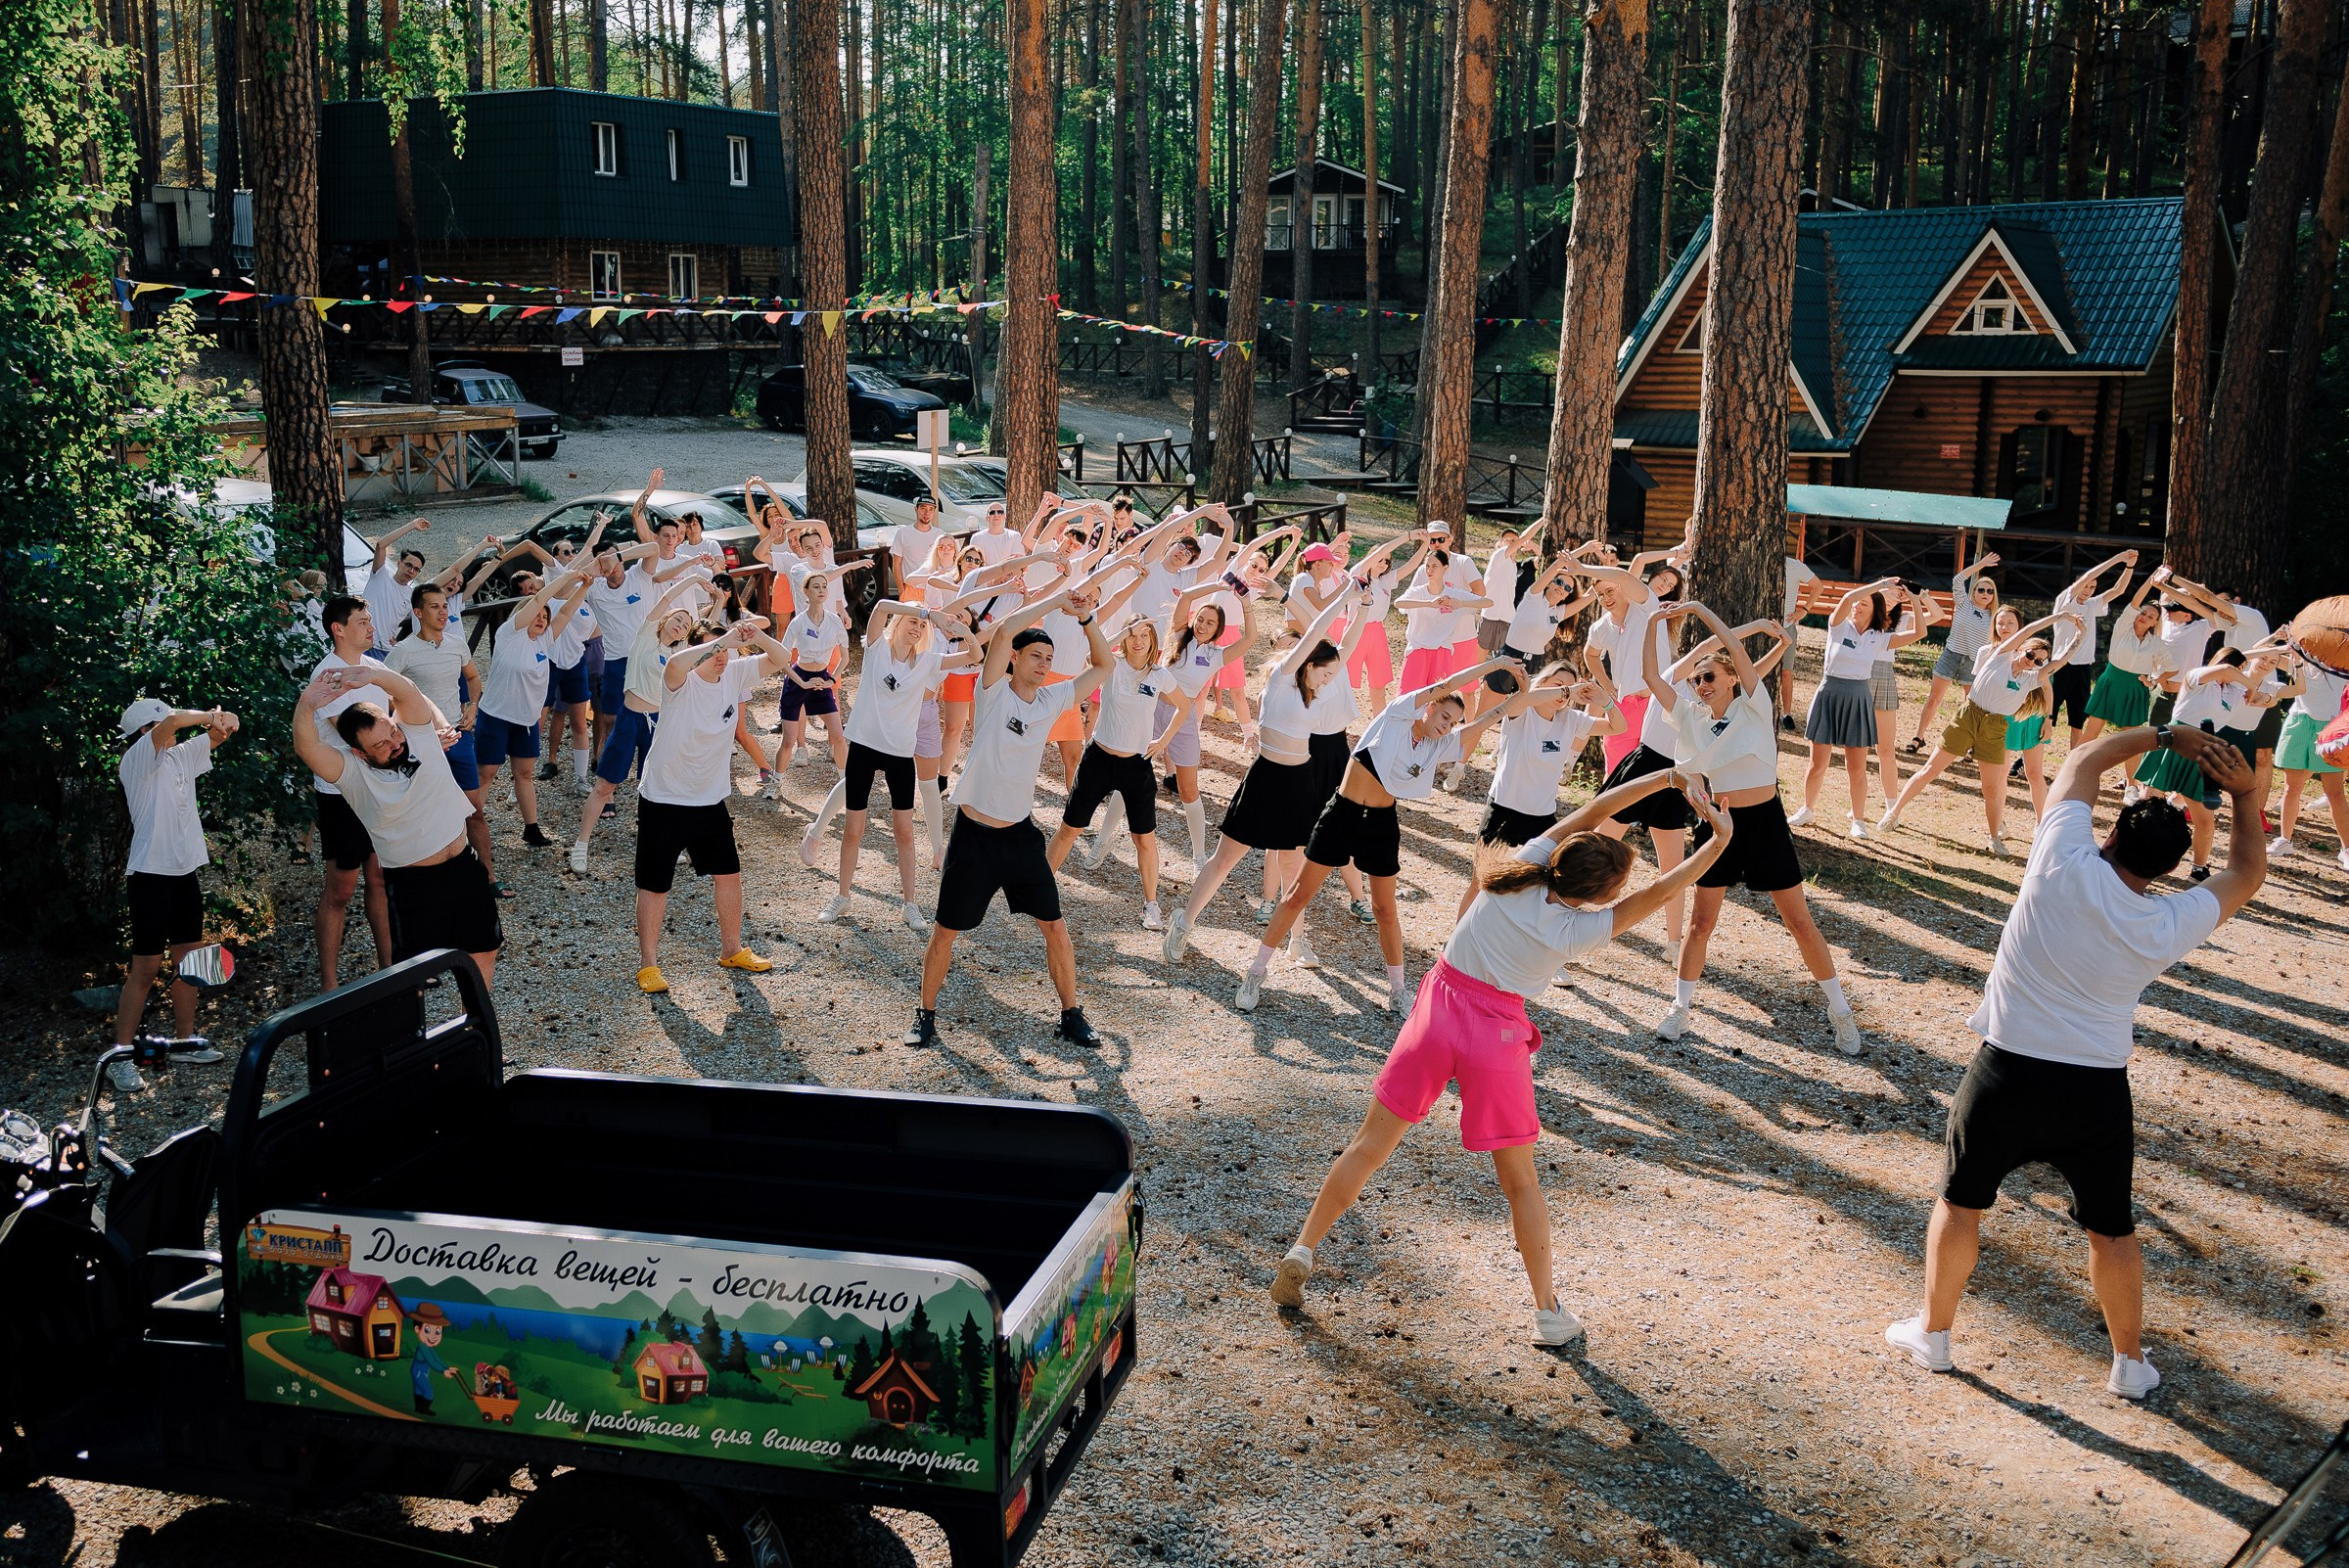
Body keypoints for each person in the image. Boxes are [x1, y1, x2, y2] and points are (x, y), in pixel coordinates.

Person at [1268, 769, 1734, 1343]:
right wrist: (1718, 842)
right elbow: (1662, 892)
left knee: (1369, 1146)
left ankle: (1303, 1248)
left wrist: (1665, 775)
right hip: (1496, 1038)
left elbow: (1594, 811)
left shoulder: (1515, 872)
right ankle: (1547, 1312)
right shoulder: (1573, 931)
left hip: (1437, 1013)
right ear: (1598, 896)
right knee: (1520, 1183)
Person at [1883, 724, 2266, 1399]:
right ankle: (2128, 1363)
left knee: (1961, 1204)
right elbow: (2246, 872)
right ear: (2169, 870)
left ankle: (1934, 1336)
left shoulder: (2059, 858)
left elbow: (2087, 757)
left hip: (2005, 1073)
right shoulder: (2166, 924)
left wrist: (2169, 734)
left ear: (2110, 833)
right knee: (2111, 1229)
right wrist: (2242, 793)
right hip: (2095, 1092)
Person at [1225, 659, 1520, 1015]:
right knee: (1297, 895)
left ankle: (1398, 990)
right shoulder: (1396, 716)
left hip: (1380, 824)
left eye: (1454, 722)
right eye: (1444, 716)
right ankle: (1256, 972)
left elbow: (1492, 717)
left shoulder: (1438, 746)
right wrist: (1498, 662)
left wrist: (1528, 690)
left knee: (1384, 909)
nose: (1448, 726)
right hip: (1342, 813)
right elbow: (1450, 683)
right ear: (1428, 707)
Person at [1642, 602, 1864, 1054]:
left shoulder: (1754, 704)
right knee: (1700, 923)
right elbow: (1651, 677)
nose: (1701, 685)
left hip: (1765, 823)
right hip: (1719, 826)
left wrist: (1702, 610)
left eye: (1709, 677)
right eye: (1696, 679)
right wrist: (1652, 622)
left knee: (1799, 921)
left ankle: (1840, 1011)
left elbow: (1735, 652)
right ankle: (1680, 1008)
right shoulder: (1691, 717)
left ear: (1730, 678)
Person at [908, 580, 1115, 1051]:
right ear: (1016, 660)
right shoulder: (993, 693)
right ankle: (925, 1015)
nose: (1044, 665)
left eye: (1049, 659)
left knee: (1056, 927)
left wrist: (1085, 618)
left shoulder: (1053, 700)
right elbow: (1002, 632)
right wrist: (1057, 600)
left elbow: (1104, 664)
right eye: (1036, 656)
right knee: (945, 933)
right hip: (975, 836)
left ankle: (1071, 1014)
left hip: (1020, 837)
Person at [1169, 588, 1376, 957]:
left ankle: (1297, 940)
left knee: (1292, 862)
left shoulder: (1316, 685)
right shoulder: (1282, 678)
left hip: (1300, 781)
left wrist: (1364, 606)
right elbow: (1316, 630)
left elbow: (1349, 640)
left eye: (1333, 675)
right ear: (1307, 663)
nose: (1329, 680)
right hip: (1266, 778)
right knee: (1225, 859)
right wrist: (1345, 591)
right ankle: (1183, 923)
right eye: (1324, 673)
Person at [291, 665, 502, 987]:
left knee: (484, 950)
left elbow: (407, 692)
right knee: (412, 976)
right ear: (359, 753)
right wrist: (307, 704)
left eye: (391, 731)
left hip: (463, 865)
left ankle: (477, 1027)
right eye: (381, 746)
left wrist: (372, 675)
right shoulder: (351, 772)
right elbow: (307, 748)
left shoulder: (413, 732)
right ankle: (409, 1033)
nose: (394, 743)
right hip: (414, 885)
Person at [634, 619, 789, 992]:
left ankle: (731, 949)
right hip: (664, 797)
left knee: (728, 875)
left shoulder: (735, 674)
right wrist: (724, 642)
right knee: (655, 885)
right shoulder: (679, 680)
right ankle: (648, 965)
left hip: (709, 799)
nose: (721, 656)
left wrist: (755, 636)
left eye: (725, 649)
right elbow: (674, 665)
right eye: (713, 649)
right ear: (696, 651)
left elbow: (782, 657)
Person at [804, 599, 978, 931]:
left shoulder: (928, 661)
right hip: (864, 748)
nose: (917, 628)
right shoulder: (875, 649)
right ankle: (842, 896)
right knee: (854, 830)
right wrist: (927, 612)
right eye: (911, 621)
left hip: (899, 753)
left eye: (922, 627)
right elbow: (882, 605)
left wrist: (960, 629)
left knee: (904, 832)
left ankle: (910, 905)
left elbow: (974, 656)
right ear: (897, 624)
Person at [109, 700, 240, 1091]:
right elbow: (174, 722)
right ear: (145, 732)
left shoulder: (179, 756)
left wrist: (221, 722)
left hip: (184, 873)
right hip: (150, 876)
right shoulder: (135, 760)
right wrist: (204, 717)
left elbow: (222, 730)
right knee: (145, 969)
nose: (173, 729)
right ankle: (120, 1057)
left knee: (192, 960)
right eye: (162, 724)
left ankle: (185, 1041)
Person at [1879, 610, 2082, 854]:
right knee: (1930, 770)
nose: (2033, 661)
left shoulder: (2031, 679)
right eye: (2031, 655)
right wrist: (2058, 617)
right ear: (2021, 649)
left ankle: (1994, 837)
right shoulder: (2000, 656)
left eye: (2039, 661)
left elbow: (2060, 662)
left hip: (1996, 727)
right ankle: (1894, 812)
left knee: (1992, 788)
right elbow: (2028, 631)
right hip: (1968, 716)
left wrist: (2079, 635)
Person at [1050, 612, 1191, 928]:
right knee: (1069, 830)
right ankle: (1040, 889)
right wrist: (1120, 632)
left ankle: (1151, 906)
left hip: (1136, 766)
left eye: (1144, 635)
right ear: (1125, 638)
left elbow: (1185, 706)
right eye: (1132, 635)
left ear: (1153, 640)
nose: (1138, 641)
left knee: (1144, 839)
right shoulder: (1111, 665)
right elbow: (1092, 653)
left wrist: (1163, 740)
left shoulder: (1159, 675)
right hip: (1098, 759)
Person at [569, 567, 714, 872]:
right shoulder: (645, 636)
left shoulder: (679, 654)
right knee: (605, 785)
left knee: (661, 787)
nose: (680, 625)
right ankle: (581, 845)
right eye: (677, 619)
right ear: (664, 621)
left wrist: (719, 599)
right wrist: (693, 579)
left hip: (660, 724)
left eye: (685, 624)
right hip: (630, 718)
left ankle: (669, 844)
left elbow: (708, 638)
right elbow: (668, 598)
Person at [1451, 666, 1624, 922]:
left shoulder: (1572, 719)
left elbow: (1618, 727)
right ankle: (1457, 941)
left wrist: (1605, 701)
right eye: (1557, 684)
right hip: (1504, 808)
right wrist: (1567, 690)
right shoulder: (1523, 711)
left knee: (1545, 886)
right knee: (1481, 881)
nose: (1563, 693)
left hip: (1542, 816)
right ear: (1542, 682)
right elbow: (1519, 700)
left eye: (1568, 687)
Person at [306, 597, 397, 989]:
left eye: (370, 619)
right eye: (362, 621)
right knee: (341, 890)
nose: (370, 627)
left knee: (380, 879)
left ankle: (391, 967)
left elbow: (396, 715)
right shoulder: (327, 675)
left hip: (378, 787)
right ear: (338, 629)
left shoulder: (375, 668)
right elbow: (354, 729)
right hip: (340, 791)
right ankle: (329, 985)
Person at [474, 564, 598, 850]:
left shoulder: (544, 640)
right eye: (537, 615)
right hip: (496, 716)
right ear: (524, 616)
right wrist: (565, 577)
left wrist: (585, 588)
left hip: (526, 720)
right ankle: (468, 825)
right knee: (487, 774)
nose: (542, 618)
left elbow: (564, 613)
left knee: (525, 773)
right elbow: (540, 599)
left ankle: (531, 828)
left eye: (545, 617)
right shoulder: (509, 634)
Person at [1792, 579, 1927, 837]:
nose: (1856, 606)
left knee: (1856, 767)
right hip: (1829, 693)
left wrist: (1915, 601)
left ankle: (1858, 820)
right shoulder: (1839, 626)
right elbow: (1846, 600)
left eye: (1863, 604)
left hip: (1858, 697)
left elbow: (1919, 633)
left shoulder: (1880, 638)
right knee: (1817, 763)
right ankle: (1807, 809)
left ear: (1874, 609)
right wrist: (1882, 584)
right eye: (1856, 602)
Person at [1909, 553, 2000, 751]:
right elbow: (1958, 580)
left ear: (1994, 596)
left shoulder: (1994, 616)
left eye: (1990, 591)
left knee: (1970, 706)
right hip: (1952, 654)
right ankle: (1918, 737)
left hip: (1974, 663)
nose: (1985, 593)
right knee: (1934, 699)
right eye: (1981, 589)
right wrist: (1981, 565)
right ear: (1974, 592)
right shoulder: (1964, 603)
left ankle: (1969, 745)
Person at [2050, 549, 2140, 749]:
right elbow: (2090, 575)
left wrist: (2129, 566)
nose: (2089, 589)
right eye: (2086, 585)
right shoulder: (2066, 600)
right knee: (2047, 714)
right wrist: (2117, 557)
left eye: (2093, 587)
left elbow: (2118, 591)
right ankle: (2023, 760)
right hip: (2061, 665)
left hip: (2082, 668)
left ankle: (2073, 762)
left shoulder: (2092, 604)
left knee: (2078, 720)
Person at [2272, 644, 2348, 867]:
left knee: (2334, 793)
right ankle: (2285, 840)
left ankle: (2346, 849)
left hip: (2330, 726)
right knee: (2291, 788)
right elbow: (2259, 654)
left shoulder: (2343, 663)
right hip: (2299, 722)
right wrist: (2281, 641)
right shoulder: (2299, 659)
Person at [2080, 573, 2165, 745]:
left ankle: (2132, 774)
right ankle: (2071, 771)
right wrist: (2152, 581)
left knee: (2130, 742)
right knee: (2090, 734)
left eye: (2151, 617)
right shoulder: (2123, 626)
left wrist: (2154, 681)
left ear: (2155, 623)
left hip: (2135, 689)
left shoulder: (2156, 643)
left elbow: (2173, 668)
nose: (2144, 617)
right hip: (2110, 682)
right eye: (2143, 613)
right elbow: (2135, 601)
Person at [359, 517, 433, 654]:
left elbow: (424, 623)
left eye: (416, 569)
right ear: (399, 563)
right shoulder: (380, 576)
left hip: (386, 650)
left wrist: (405, 644)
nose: (411, 571)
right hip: (363, 645)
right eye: (408, 565)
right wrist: (412, 525)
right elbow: (381, 544)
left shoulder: (412, 596)